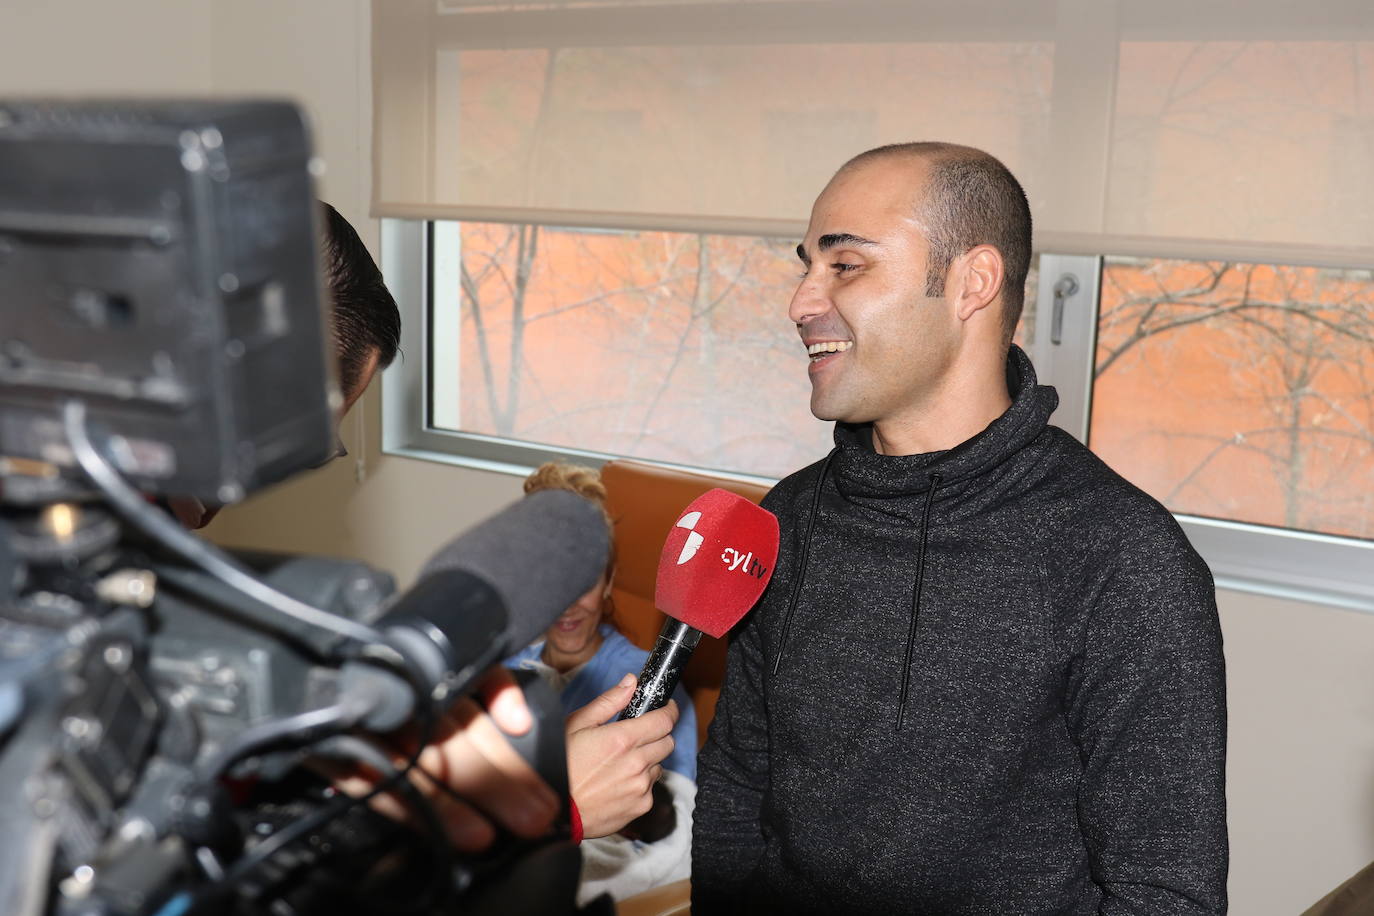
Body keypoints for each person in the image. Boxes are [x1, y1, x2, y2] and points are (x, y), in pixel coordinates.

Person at [692, 143, 1228, 914]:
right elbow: (740, 783)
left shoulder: (1122, 558)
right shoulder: (788, 519)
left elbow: (1164, 891)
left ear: (972, 283)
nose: (801, 301)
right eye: (806, 264)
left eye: (845, 266)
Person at [505, 462, 697, 903]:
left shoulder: (647, 684)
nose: (566, 602)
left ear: (609, 581)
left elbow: (674, 843)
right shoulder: (504, 671)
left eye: (584, 579)